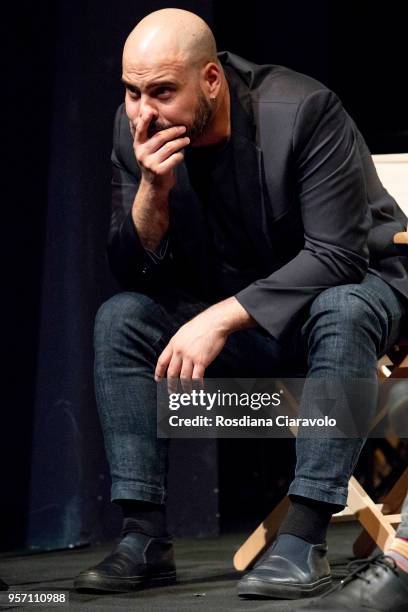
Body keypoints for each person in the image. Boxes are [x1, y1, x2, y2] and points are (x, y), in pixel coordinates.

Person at [74, 8, 408, 600]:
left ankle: (304, 539)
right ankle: (144, 536)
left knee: (344, 308)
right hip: (253, 318)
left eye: (161, 92)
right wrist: (153, 191)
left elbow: (337, 256)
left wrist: (220, 316)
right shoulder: (137, 133)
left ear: (211, 79)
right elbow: (129, 268)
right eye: (131, 92)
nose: (143, 112)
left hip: (358, 290)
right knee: (122, 318)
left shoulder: (301, 110)